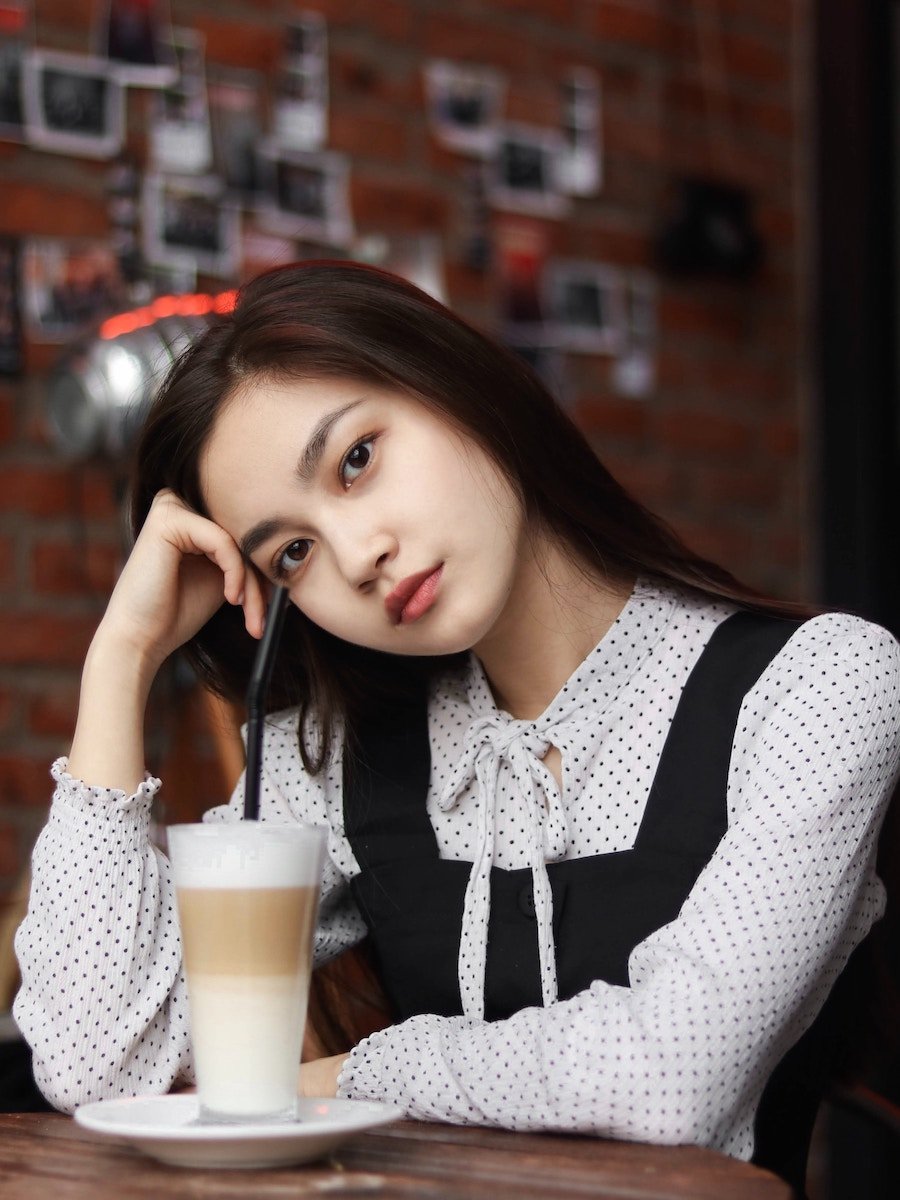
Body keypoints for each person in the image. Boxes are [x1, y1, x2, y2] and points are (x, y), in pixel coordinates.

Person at [13, 262, 900, 1191]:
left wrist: (359, 1074)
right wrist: (120, 660)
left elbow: (672, 1077)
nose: (358, 558)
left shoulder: (816, 684)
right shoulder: (336, 754)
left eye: (356, 459)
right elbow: (96, 1067)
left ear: (451, 383)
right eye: (293, 552)